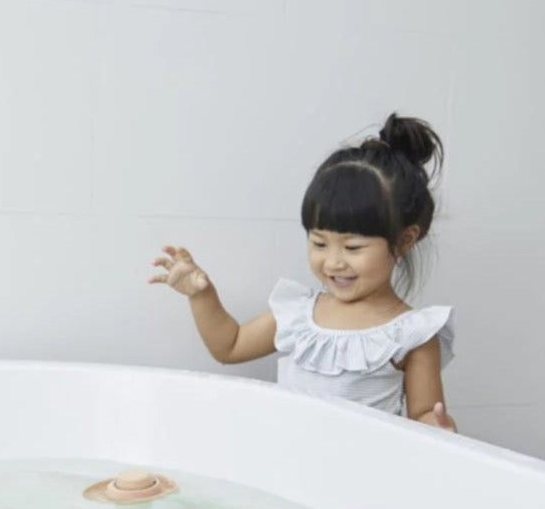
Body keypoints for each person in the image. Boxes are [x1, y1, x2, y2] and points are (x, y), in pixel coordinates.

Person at [149, 113, 457, 431]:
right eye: (319, 243)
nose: (333, 262)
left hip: (362, 472)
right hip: (289, 467)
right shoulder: (299, 315)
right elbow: (230, 345)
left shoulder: (410, 334)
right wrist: (202, 295)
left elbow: (423, 418)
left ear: (404, 240)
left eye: (352, 248)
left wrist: (439, 426)